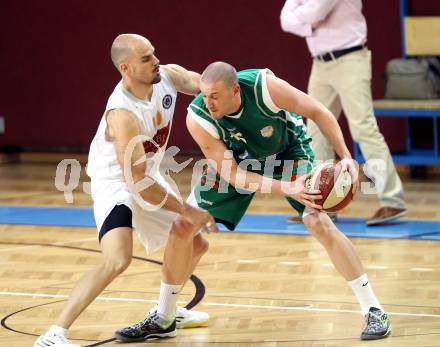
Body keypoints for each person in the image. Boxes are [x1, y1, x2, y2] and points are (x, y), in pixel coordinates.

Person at [34, 34, 218, 347]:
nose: (156, 60)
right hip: (117, 182)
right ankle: (54, 334)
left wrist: (246, 87)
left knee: (196, 244)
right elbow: (135, 183)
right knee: (118, 259)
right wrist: (187, 209)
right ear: (126, 67)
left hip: (148, 174)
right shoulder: (122, 113)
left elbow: (204, 83)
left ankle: (168, 311)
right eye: (146, 59)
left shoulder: (167, 77)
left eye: (154, 53)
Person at [186, 61, 391, 340]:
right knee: (183, 226)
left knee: (319, 223)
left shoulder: (264, 87)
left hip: (288, 152)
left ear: (235, 90)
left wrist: (345, 156)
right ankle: (164, 314)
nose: (208, 103)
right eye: (204, 95)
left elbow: (318, 111)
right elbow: (233, 175)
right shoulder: (199, 116)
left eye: (215, 96)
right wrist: (286, 188)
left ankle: (373, 309)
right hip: (237, 161)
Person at [280, 0, 407, 226]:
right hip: (320, 63)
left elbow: (316, 10)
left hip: (351, 59)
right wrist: (309, 23)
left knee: (363, 128)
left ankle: (393, 200)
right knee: (315, 132)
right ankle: (321, 202)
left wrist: (304, 17)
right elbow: (285, 20)